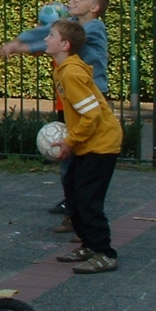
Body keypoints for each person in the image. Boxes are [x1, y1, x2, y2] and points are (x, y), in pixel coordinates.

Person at [0, 0, 109, 220]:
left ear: (95, 8)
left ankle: (84, 214)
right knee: (70, 157)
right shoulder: (71, 23)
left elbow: (63, 39)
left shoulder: (94, 28)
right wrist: (18, 40)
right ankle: (73, 210)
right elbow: (48, 31)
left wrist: (24, 48)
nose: (75, 1)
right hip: (72, 98)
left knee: (85, 158)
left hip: (90, 96)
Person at [46, 20, 122, 274]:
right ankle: (88, 245)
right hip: (87, 143)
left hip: (101, 144)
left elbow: (92, 116)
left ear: (65, 44)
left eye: (51, 35)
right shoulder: (63, 69)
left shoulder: (71, 73)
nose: (46, 39)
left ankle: (105, 253)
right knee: (73, 194)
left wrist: (70, 140)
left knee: (88, 200)